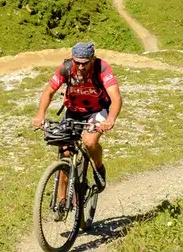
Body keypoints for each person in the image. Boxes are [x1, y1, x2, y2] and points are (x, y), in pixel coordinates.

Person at [31, 41, 121, 196]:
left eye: (85, 63)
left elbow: (116, 98)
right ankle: (60, 201)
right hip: (73, 111)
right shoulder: (65, 68)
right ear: (72, 59)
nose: (80, 67)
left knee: (89, 141)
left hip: (97, 111)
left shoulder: (102, 68)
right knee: (65, 151)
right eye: (77, 62)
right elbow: (48, 92)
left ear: (92, 59)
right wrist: (40, 114)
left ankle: (99, 168)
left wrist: (111, 118)